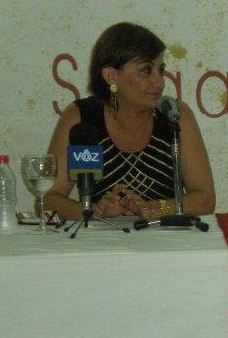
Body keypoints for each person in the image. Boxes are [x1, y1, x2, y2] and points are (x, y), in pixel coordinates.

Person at [45, 22, 215, 221]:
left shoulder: (174, 114)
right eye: (146, 71)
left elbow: (205, 199)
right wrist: (94, 211)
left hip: (165, 237)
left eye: (160, 70)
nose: (159, 81)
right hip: (102, 238)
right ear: (111, 76)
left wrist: (157, 208)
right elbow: (48, 201)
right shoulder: (82, 118)